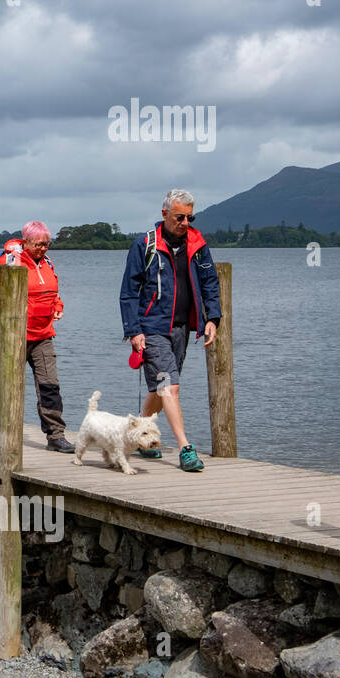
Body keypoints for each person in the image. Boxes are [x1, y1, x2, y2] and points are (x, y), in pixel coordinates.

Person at [120, 189, 221, 473]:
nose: (185, 222)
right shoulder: (145, 245)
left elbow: (210, 282)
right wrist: (134, 330)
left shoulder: (198, 245)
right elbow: (128, 292)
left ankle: (140, 437)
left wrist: (212, 318)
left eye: (190, 217)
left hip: (182, 328)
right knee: (170, 386)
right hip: (151, 327)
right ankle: (185, 448)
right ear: (164, 214)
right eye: (180, 217)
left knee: (159, 388)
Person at [0, 221, 74, 452]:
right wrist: (11, 312)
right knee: (5, 383)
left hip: (43, 335)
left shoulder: (48, 262)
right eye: (39, 244)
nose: (43, 248)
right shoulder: (11, 260)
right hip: (13, 334)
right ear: (26, 241)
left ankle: (55, 435)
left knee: (50, 385)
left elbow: (52, 293)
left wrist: (57, 306)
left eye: (47, 244)